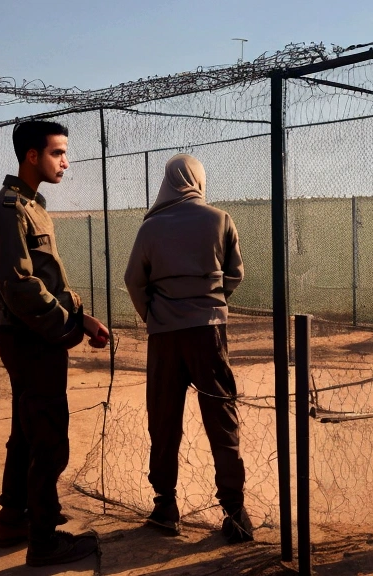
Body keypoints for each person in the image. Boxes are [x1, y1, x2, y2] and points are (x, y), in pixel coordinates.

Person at [0, 120, 108, 567]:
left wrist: (82, 317)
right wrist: (68, 328)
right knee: (49, 439)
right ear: (31, 156)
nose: (65, 162)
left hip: (33, 335)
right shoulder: (9, 209)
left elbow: (46, 280)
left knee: (26, 434)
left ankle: (13, 520)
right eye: (58, 153)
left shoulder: (32, 205)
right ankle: (44, 538)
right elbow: (20, 287)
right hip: (32, 339)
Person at [124, 154, 252, 543]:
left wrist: (155, 315)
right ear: (198, 179)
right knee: (221, 417)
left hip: (165, 338)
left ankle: (165, 507)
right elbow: (236, 273)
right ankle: (236, 513)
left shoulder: (150, 227)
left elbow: (134, 280)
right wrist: (211, 299)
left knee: (163, 420)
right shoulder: (220, 219)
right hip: (208, 335)